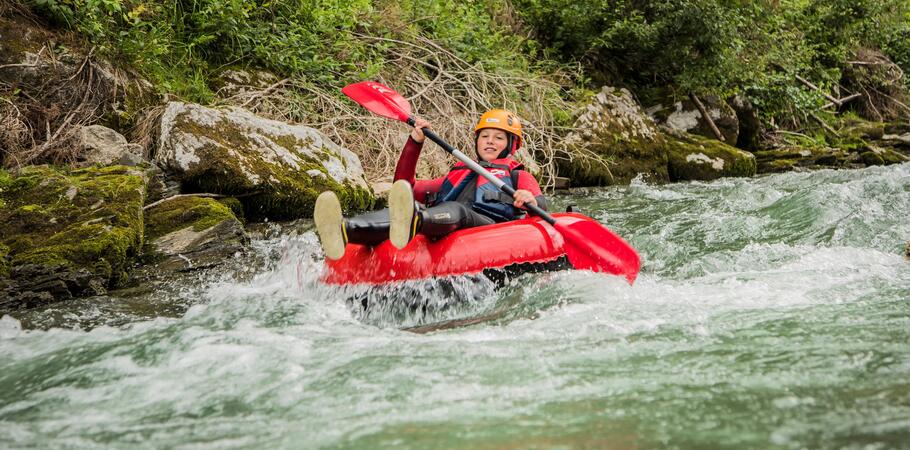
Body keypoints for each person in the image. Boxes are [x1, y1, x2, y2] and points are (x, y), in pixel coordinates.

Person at [314, 109, 548, 260]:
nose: (490, 141)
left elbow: (541, 203)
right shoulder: (459, 172)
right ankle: (346, 229)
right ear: (477, 140)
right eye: (485, 136)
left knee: (458, 210)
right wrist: (415, 143)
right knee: (394, 211)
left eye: (498, 137)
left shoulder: (517, 176)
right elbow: (403, 186)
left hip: (489, 226)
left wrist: (528, 198)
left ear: (511, 145)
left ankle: (417, 220)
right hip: (442, 222)